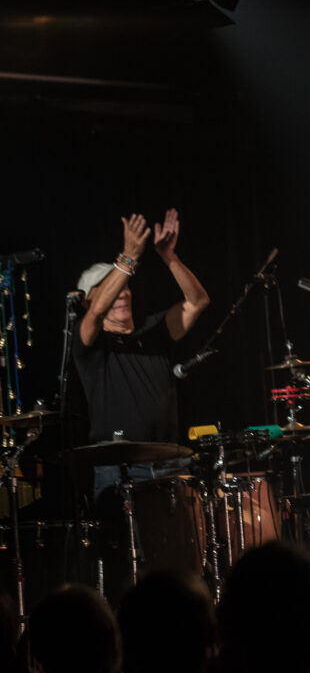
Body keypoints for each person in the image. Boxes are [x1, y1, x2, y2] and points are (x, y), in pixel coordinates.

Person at [73, 208, 210, 499]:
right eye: (113, 288)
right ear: (87, 301)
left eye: (125, 285)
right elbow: (96, 313)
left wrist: (169, 257)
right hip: (120, 468)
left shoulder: (155, 330)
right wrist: (129, 257)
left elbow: (198, 301)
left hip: (171, 462)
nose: (122, 293)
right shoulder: (91, 343)